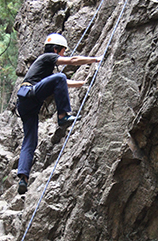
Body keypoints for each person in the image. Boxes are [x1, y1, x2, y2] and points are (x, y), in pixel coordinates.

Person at [17, 33, 102, 195]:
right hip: (30, 94)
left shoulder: (45, 71)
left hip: (26, 105)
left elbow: (64, 83)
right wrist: (95, 59)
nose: (63, 55)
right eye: (62, 51)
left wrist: (84, 83)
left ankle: (23, 178)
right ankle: (63, 116)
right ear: (56, 49)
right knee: (60, 76)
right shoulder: (47, 57)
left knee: (30, 141)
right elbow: (72, 62)